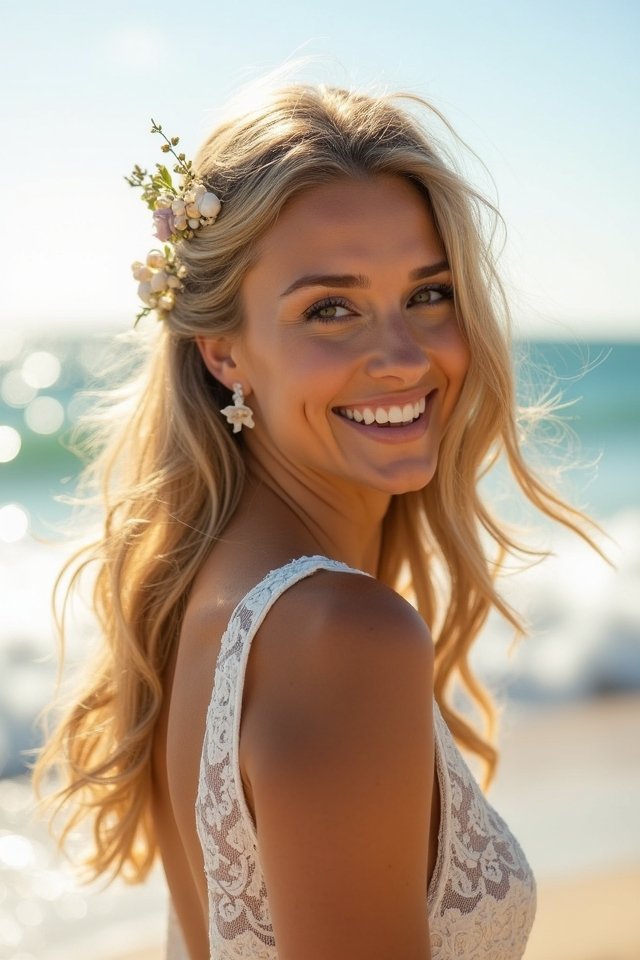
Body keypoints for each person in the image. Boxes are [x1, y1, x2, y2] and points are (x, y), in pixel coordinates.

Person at [35, 83, 600, 960]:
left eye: (430, 293)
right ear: (223, 352)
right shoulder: (338, 637)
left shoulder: (202, 595)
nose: (403, 357)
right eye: (330, 309)